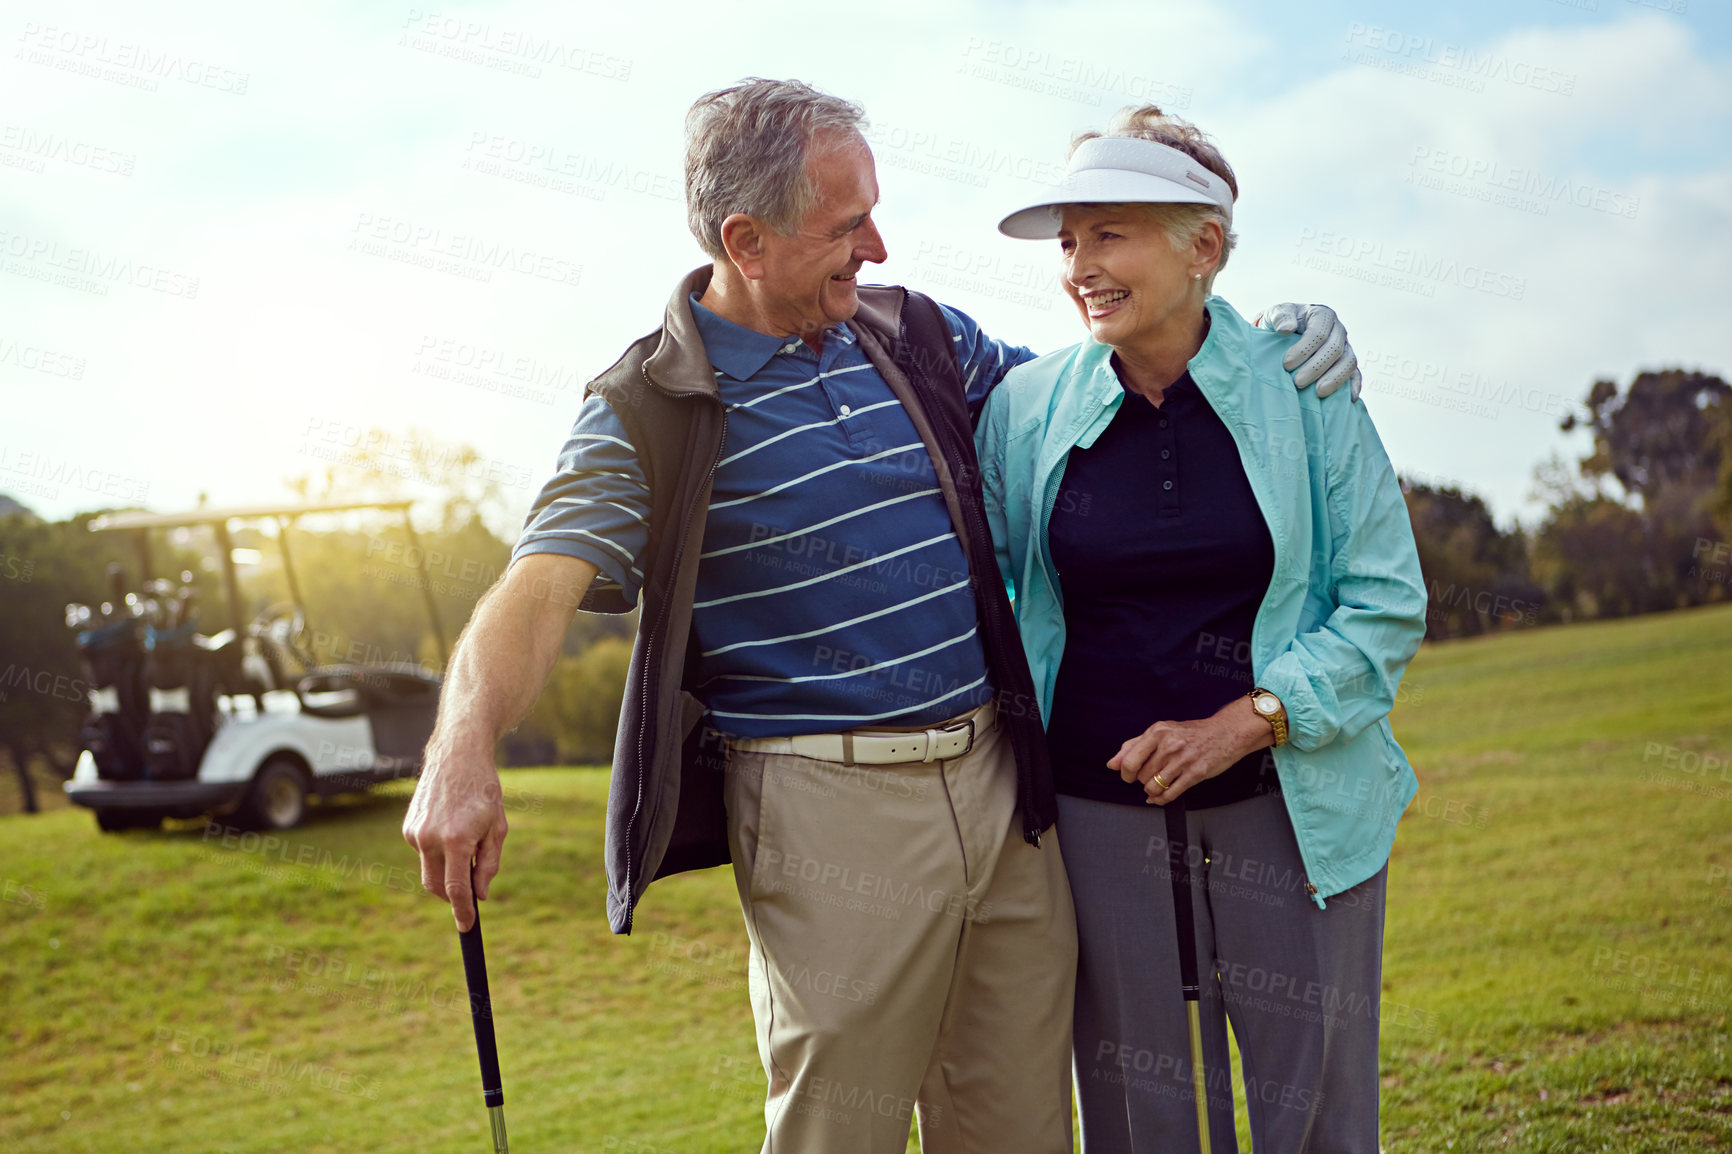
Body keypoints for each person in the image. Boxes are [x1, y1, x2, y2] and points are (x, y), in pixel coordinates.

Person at [403, 79, 1363, 1154]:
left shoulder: (919, 338)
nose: (878, 244)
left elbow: (1111, 374)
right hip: (826, 804)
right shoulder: (646, 405)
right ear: (746, 239)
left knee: (1020, 1122)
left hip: (1004, 794)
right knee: (838, 1127)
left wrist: (1270, 335)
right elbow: (537, 586)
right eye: (846, 224)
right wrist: (460, 748)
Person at [976, 105, 1427, 1153]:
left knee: (1310, 1106)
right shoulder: (1024, 405)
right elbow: (997, 590)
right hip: (1097, 815)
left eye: (1109, 233)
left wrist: (1247, 720)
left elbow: (1384, 599)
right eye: (1069, 241)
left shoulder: (1305, 390)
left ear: (1204, 247)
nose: (1079, 264)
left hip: (1294, 801)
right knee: (1140, 1112)